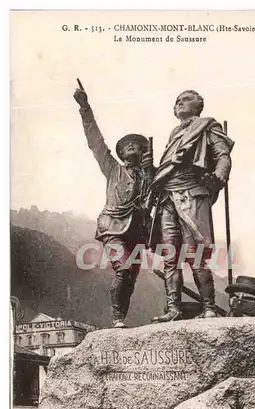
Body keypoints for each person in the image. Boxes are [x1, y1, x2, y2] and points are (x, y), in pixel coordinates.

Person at [147, 89, 234, 322]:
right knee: (170, 256)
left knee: (195, 254)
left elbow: (223, 155)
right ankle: (173, 309)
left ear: (198, 105)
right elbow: (166, 170)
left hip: (191, 194)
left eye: (185, 99)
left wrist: (219, 177)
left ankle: (209, 308)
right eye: (176, 101)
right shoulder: (174, 133)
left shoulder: (207, 126)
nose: (178, 103)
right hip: (166, 199)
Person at [73, 85, 154, 328]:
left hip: (138, 232)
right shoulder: (112, 168)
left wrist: (152, 174)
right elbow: (95, 142)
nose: (131, 146)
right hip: (113, 226)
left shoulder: (152, 174)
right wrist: (85, 109)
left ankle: (121, 319)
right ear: (120, 152)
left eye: (136, 145)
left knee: (131, 279)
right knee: (123, 270)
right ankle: (117, 318)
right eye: (126, 145)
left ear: (144, 151)